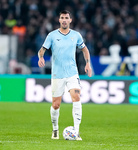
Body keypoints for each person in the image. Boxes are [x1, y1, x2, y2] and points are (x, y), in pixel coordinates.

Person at [38, 10, 92, 140]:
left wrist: (88, 64)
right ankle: (55, 129)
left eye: (66, 18)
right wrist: (41, 57)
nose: (64, 20)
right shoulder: (52, 35)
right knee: (56, 104)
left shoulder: (76, 35)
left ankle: (77, 132)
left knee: (76, 97)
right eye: (62, 17)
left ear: (70, 20)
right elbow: (42, 50)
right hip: (57, 75)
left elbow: (84, 49)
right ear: (59, 20)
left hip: (72, 73)